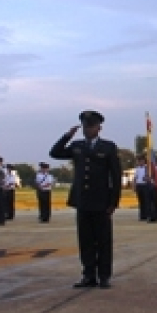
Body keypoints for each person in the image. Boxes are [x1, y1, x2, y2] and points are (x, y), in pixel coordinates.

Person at [50, 110, 122, 289]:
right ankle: (88, 274)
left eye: (91, 126)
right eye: (85, 127)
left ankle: (104, 275)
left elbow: (116, 175)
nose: (87, 130)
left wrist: (114, 201)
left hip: (102, 200)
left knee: (103, 240)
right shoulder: (77, 146)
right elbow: (55, 153)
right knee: (86, 240)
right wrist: (67, 136)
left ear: (99, 128)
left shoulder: (108, 147)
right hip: (82, 200)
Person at [133, 155, 150, 221]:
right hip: (139, 185)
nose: (140, 162)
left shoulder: (147, 168)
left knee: (146, 201)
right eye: (139, 161)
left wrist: (147, 178)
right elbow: (135, 178)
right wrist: (134, 186)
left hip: (145, 185)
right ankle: (142, 216)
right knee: (141, 201)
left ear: (144, 161)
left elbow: (149, 177)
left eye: (141, 161)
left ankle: (147, 214)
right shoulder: (137, 169)